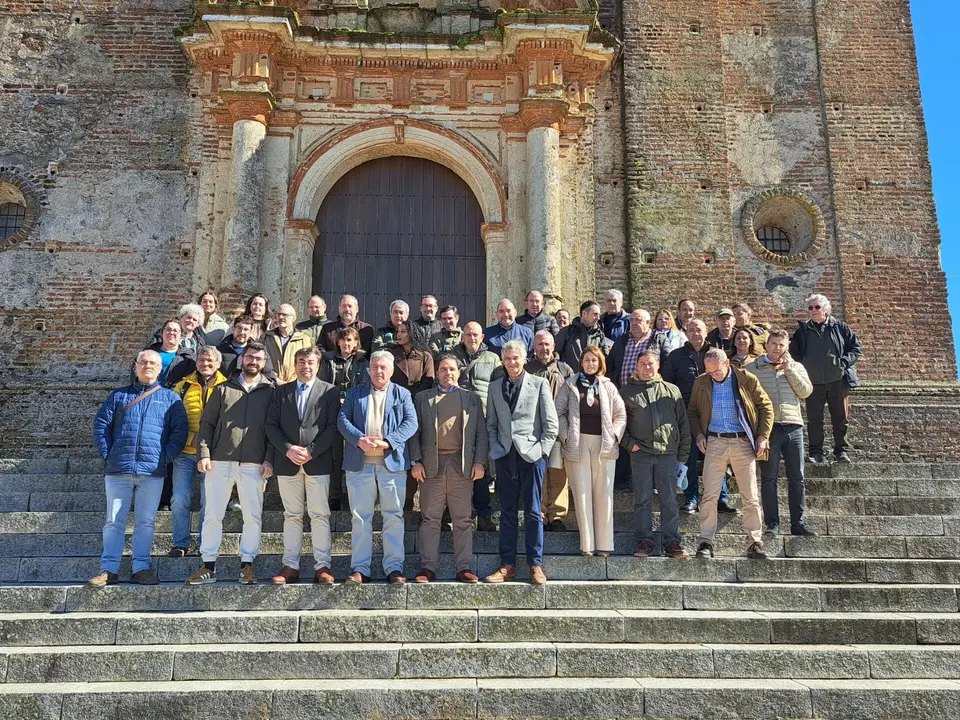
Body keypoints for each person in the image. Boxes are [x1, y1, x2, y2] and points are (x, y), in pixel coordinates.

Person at [89, 350, 188, 587]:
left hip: (152, 471)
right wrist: (108, 454)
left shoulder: (170, 399)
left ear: (160, 369)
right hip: (118, 470)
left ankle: (141, 567)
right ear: (135, 367)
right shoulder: (119, 396)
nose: (147, 366)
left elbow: (179, 431)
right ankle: (108, 569)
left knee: (146, 522)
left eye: (152, 363)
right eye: (143, 362)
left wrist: (164, 457)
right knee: (113, 520)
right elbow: (101, 425)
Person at [187, 342, 276, 585]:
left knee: (252, 516)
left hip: (255, 463)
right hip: (219, 460)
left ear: (264, 362)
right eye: (249, 357)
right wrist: (203, 453)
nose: (253, 362)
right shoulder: (223, 389)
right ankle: (208, 566)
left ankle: (247, 565)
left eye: (258, 358)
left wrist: (269, 458)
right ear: (241, 360)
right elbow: (207, 423)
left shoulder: (271, 392)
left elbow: (273, 429)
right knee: (213, 515)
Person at [338, 351, 418, 584]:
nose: (379, 371)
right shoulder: (355, 393)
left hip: (391, 464)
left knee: (393, 515)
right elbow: (342, 420)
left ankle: (393, 567)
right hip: (360, 465)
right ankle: (360, 568)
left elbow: (410, 423)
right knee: (360, 518)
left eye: (383, 367)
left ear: (391, 370)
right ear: (368, 369)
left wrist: (389, 442)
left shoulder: (402, 394)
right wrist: (358, 439)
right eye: (374, 367)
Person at [484, 339, 559, 585]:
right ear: (503, 362)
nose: (512, 362)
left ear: (524, 358)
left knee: (533, 511)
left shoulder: (539, 384)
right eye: (507, 359)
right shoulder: (494, 387)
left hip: (531, 456)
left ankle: (535, 565)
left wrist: (542, 452)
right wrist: (496, 450)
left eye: (516, 358)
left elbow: (551, 425)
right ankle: (507, 565)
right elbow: (491, 424)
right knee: (506, 512)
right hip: (506, 455)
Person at [265, 346, 341, 584]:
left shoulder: (329, 392)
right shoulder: (281, 392)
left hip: (317, 462)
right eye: (300, 362)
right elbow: (271, 426)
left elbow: (332, 428)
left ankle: (322, 567)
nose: (305, 366)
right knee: (292, 516)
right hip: (287, 462)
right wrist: (288, 449)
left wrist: (311, 451)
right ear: (294, 364)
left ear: (317, 365)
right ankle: (290, 566)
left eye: (309, 362)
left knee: (320, 515)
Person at [688, 348, 773, 560]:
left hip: (742, 441)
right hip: (715, 441)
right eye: (709, 371)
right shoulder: (702, 382)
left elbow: (765, 407)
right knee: (709, 495)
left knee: (750, 495)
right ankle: (706, 541)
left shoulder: (746, 379)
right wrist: (699, 434)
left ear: (727, 364)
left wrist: (763, 435)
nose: (713, 375)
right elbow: (693, 411)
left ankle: (754, 542)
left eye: (716, 371)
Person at [409, 355, 488, 583]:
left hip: (461, 466)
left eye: (452, 369)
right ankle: (427, 568)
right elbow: (414, 432)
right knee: (430, 519)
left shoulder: (471, 399)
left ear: (459, 372)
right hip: (431, 466)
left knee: (462, 519)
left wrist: (480, 462)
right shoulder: (423, 398)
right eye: (443, 369)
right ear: (438, 372)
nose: (448, 373)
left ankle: (463, 568)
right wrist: (416, 461)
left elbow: (481, 433)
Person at [620, 350, 690, 560]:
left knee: (669, 499)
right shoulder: (626, 392)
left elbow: (683, 425)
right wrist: (630, 445)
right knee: (642, 499)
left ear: (657, 365)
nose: (647, 367)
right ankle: (645, 541)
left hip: (668, 454)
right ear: (636, 367)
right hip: (640, 454)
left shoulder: (672, 390)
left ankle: (672, 542)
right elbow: (618, 424)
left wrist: (683, 457)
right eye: (642, 364)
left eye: (650, 364)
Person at [555, 346, 625, 557]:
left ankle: (604, 544)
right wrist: (565, 435)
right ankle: (587, 545)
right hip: (578, 444)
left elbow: (620, 413)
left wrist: (614, 435)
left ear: (600, 363)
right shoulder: (570, 384)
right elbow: (558, 412)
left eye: (594, 360)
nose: (590, 364)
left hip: (603, 445)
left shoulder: (608, 386)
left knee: (604, 494)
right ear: (581, 362)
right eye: (586, 360)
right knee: (582, 493)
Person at [662, 319, 735, 515]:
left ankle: (721, 498)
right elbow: (667, 384)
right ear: (686, 332)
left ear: (706, 332)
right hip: (686, 414)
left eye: (699, 330)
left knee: (718, 458)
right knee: (689, 457)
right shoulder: (676, 356)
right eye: (691, 330)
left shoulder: (716, 354)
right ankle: (691, 497)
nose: (695, 333)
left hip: (716, 414)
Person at [747, 330, 816, 537]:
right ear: (766, 345)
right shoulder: (753, 368)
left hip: (794, 427)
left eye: (782, 345)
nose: (778, 348)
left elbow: (805, 392)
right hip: (769, 430)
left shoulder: (796, 367)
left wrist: (789, 371)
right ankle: (772, 524)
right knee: (768, 478)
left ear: (787, 347)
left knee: (797, 478)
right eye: (774, 344)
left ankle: (798, 523)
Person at [168, 346, 227, 556]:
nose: (205, 364)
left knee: (208, 501)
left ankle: (205, 543)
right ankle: (180, 543)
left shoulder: (228, 386)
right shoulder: (183, 386)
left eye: (210, 361)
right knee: (180, 498)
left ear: (218, 364)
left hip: (213, 454)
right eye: (202, 360)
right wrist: (191, 438)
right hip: (185, 452)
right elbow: (173, 419)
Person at [789, 294, 862, 464]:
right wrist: (803, 368)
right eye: (810, 308)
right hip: (813, 384)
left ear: (826, 309)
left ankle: (841, 451)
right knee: (814, 420)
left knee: (841, 418)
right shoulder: (803, 331)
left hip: (838, 380)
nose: (813, 311)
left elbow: (855, 347)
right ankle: (816, 453)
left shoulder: (840, 327)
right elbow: (794, 353)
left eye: (817, 307)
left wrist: (843, 362)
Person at [450, 321, 501, 531]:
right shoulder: (452, 357)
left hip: (483, 421)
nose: (471, 338)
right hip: (455, 421)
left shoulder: (493, 359)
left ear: (482, 338)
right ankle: (456, 514)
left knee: (481, 470)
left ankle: (484, 515)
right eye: (468, 334)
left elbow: (499, 390)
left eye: (475, 335)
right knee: (456, 470)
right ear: (462, 337)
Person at [318, 326, 370, 512]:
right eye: (343, 340)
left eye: (350, 340)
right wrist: (335, 398)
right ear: (338, 342)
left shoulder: (363, 361)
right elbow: (321, 384)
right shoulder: (327, 361)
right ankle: (334, 496)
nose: (346, 344)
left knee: (352, 454)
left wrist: (348, 400)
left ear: (356, 343)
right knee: (334, 456)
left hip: (354, 414)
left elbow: (364, 385)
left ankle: (350, 496)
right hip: (332, 411)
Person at [527, 330, 574, 531]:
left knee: (558, 473)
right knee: (538, 473)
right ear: (534, 346)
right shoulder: (526, 368)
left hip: (557, 430)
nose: (544, 348)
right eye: (540, 344)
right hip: (534, 430)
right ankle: (539, 513)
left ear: (553, 346)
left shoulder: (564, 369)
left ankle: (557, 515)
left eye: (547, 344)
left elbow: (574, 400)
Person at [387, 321, 435, 512]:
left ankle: (411, 497)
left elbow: (429, 380)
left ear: (413, 334)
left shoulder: (425, 356)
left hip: (418, 407)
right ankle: (401, 499)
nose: (399, 335)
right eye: (397, 331)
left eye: (403, 331)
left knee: (416, 453)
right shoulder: (391, 355)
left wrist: (414, 398)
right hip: (395, 409)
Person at [608, 309, 669, 389]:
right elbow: (610, 364)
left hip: (650, 392)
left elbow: (668, 367)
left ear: (648, 322)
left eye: (638, 320)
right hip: (622, 393)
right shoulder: (622, 340)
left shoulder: (659, 340)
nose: (633, 323)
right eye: (631, 320)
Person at [264, 304, 313, 384]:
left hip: (296, 385)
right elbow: (263, 360)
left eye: (285, 315)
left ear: (294, 318)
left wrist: (293, 381)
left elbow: (306, 362)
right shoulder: (267, 337)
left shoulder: (304, 339)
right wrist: (275, 379)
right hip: (271, 384)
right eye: (279, 314)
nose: (281, 317)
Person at [217, 315, 276, 379]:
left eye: (246, 329)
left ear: (250, 332)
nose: (242, 332)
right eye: (239, 328)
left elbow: (269, 374)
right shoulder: (219, 350)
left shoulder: (259, 351)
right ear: (233, 329)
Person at [140, 319, 195, 388]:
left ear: (181, 334)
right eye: (168, 329)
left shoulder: (188, 356)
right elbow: (137, 371)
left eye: (175, 330)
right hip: (148, 393)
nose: (171, 332)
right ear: (162, 332)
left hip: (174, 395)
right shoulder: (149, 352)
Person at [556, 300, 609, 371]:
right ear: (584, 314)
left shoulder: (599, 335)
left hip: (591, 379)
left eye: (599, 315)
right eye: (595, 314)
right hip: (569, 379)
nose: (598, 318)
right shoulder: (566, 332)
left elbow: (604, 357)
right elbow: (555, 354)